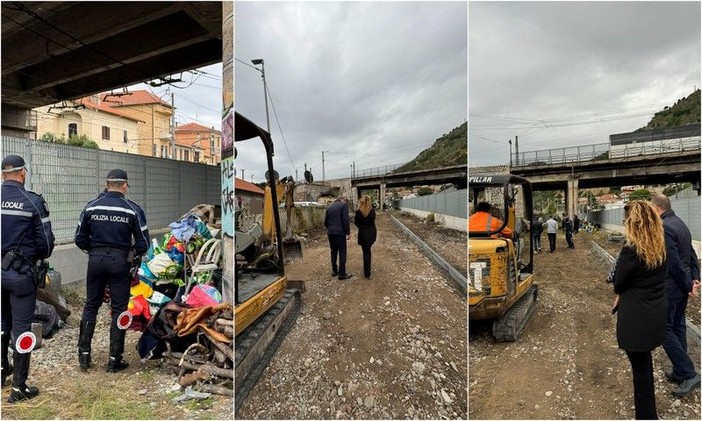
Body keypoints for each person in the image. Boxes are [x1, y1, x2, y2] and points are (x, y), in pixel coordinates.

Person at [75, 169, 149, 373]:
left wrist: (95, 250)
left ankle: (84, 355)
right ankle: (114, 359)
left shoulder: (90, 207)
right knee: (119, 309)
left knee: (91, 305)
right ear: (124, 186)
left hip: (96, 261)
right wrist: (130, 252)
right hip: (119, 262)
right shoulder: (132, 210)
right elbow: (143, 244)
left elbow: (79, 239)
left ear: (106, 185)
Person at [1, 155, 55, 402]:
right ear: (23, 173)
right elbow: (45, 245)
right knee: (22, 328)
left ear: (3, 174)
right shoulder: (32, 202)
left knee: (1, 324)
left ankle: (2, 372)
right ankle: (18, 389)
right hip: (22, 276)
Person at [611, 200, 667, 420]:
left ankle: (646, 416)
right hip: (655, 314)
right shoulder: (661, 247)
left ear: (633, 224)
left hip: (636, 319)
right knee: (644, 364)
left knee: (640, 372)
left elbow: (619, 283)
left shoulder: (631, 251)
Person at [651, 194, 701, 397]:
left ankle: (689, 373)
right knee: (678, 326)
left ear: (656, 209)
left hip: (672, 287)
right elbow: (691, 255)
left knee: (663, 330)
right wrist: (695, 279)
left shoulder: (663, 227)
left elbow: (674, 263)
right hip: (682, 286)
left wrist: (687, 284)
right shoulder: (680, 223)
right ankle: (680, 371)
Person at [324, 196, 351, 280]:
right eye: (345, 201)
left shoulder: (329, 207)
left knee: (333, 252)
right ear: (343, 200)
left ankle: (334, 271)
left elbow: (325, 222)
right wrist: (348, 232)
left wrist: (331, 228)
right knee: (342, 252)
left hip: (331, 233)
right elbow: (345, 220)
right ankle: (342, 273)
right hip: (340, 233)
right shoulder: (343, 206)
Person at [354, 195, 377, 279]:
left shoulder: (358, 211)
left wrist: (362, 226)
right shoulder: (372, 211)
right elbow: (373, 221)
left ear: (361, 201)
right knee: (368, 251)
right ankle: (368, 272)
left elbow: (356, 223)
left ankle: (367, 272)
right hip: (371, 233)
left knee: (365, 252)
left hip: (363, 234)